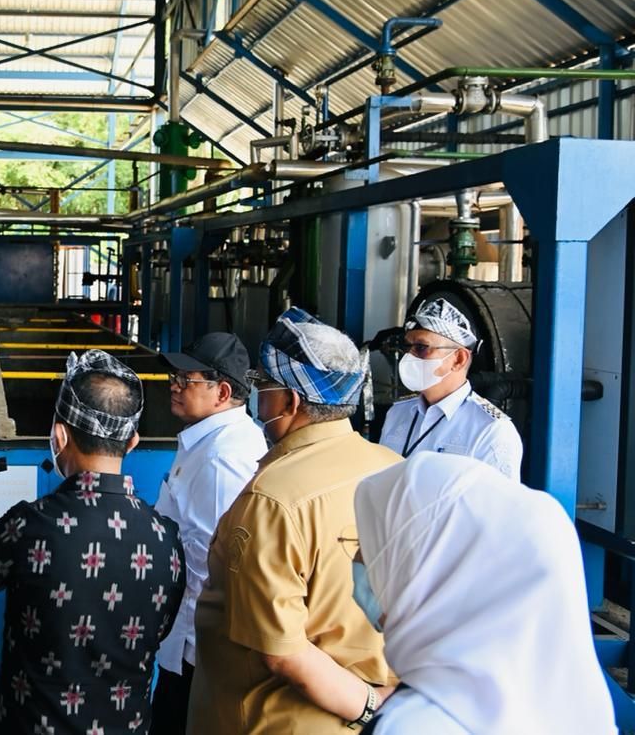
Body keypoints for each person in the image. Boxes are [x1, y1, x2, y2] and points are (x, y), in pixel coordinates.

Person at [0, 349, 185, 735]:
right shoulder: (166, 539)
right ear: (132, 442)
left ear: (59, 436)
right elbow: (160, 630)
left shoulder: (30, 526)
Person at [188, 307, 400, 735]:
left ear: (290, 401)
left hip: (276, 722)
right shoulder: (399, 470)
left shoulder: (273, 499)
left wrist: (367, 707)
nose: (256, 397)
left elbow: (281, 652)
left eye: (263, 386)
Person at [353, 451, 617, 734]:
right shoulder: (581, 709)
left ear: (436, 569)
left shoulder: (409, 726)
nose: (358, 559)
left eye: (376, 548)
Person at [149, 332, 267, 735]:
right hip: (183, 643)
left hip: (196, 654)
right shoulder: (206, 441)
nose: (175, 387)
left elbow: (212, 567)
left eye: (187, 380)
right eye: (174, 379)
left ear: (223, 392)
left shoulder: (222, 458)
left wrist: (197, 654)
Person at [379, 297, 523, 480]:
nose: (409, 356)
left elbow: (497, 506)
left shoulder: (491, 430)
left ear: (459, 359)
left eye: (421, 347)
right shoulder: (397, 414)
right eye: (407, 346)